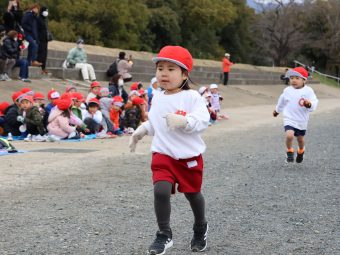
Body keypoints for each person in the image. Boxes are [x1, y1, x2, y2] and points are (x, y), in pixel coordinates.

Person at [129, 45, 210, 254]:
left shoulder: (192, 97)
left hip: (188, 157)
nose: (164, 73)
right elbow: (156, 124)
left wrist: (184, 121)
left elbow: (202, 120)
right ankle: (164, 234)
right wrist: (142, 130)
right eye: (160, 68)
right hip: (163, 154)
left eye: (171, 69)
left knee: (193, 194)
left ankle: (200, 227)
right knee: (161, 190)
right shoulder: (157, 96)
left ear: (184, 74)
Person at [273, 67, 318, 163]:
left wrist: (309, 104)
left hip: (302, 120)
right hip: (289, 118)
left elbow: (314, 101)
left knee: (300, 139)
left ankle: (301, 151)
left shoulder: (308, 91)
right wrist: (277, 110)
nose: (293, 80)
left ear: (304, 80)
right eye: (291, 78)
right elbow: (281, 102)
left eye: (297, 78)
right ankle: (289, 151)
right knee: (289, 136)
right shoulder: (287, 90)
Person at [37, 6, 50, 74]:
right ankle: (39, 67)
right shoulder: (38, 19)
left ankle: (43, 67)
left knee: (44, 54)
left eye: (47, 11)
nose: (46, 12)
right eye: (45, 10)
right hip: (40, 39)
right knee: (40, 53)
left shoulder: (45, 19)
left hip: (45, 39)